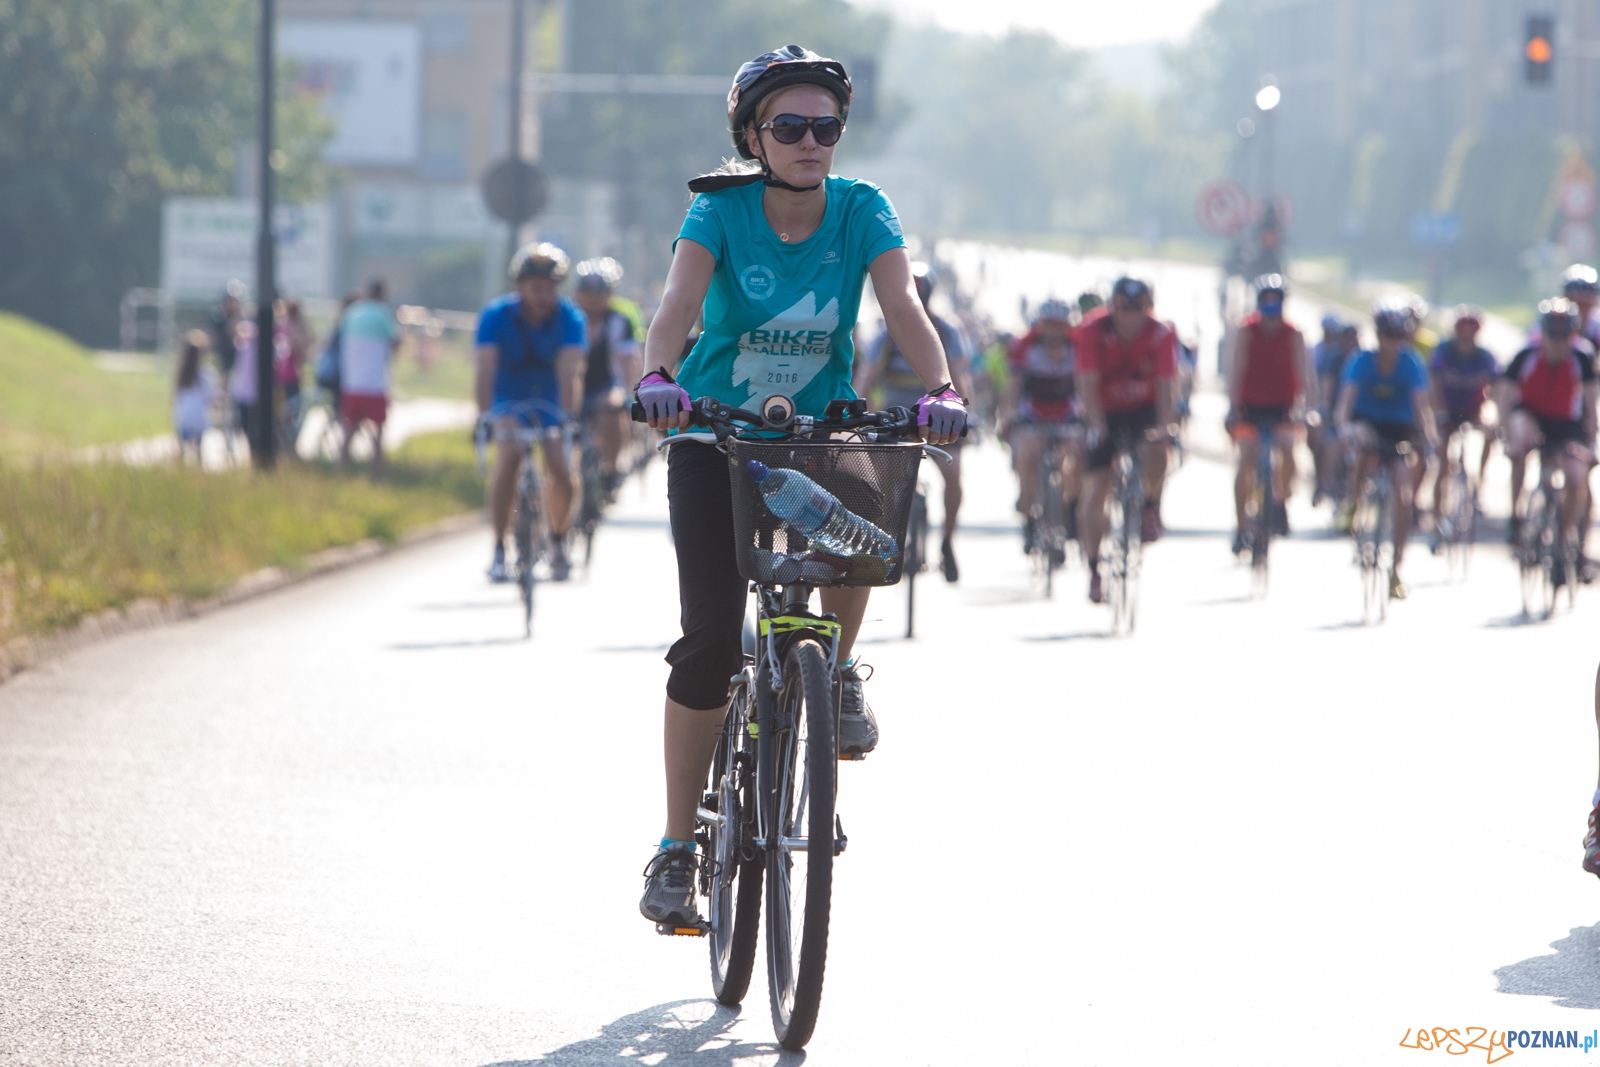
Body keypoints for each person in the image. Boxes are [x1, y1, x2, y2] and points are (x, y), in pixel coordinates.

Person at [634, 44, 966, 928]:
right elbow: (676, 306)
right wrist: (659, 376)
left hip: (821, 432)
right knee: (708, 639)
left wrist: (938, 390)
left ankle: (839, 669)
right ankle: (675, 847)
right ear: (754, 135)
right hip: (716, 436)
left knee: (867, 538)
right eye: (791, 126)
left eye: (826, 127)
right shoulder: (719, 208)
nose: (811, 141)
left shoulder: (864, 210)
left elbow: (904, 308)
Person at [475, 243, 587, 583]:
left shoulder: (569, 317)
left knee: (561, 468)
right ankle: (498, 548)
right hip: (508, 397)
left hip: (550, 398)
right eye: (536, 288)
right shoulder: (495, 316)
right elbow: (484, 372)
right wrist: (484, 418)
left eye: (551, 288)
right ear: (519, 287)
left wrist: (566, 418)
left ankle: (557, 541)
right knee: (508, 457)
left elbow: (570, 374)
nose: (544, 295)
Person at [856, 261, 973, 580]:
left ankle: (947, 543)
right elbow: (867, 376)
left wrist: (967, 413)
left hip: (938, 413)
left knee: (954, 477)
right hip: (897, 412)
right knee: (885, 479)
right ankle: (890, 540)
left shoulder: (947, 331)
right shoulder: (886, 334)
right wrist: (855, 413)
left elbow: (959, 376)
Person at [1075, 276, 1176, 605]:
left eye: (1137, 311)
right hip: (1103, 408)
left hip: (1142, 407)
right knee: (1097, 489)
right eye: (1122, 310)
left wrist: (1164, 426)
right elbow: (1087, 384)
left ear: (1147, 309)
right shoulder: (1092, 330)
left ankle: (1148, 504)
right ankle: (1093, 568)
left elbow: (1165, 385)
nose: (1129, 318)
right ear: (1112, 308)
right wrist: (1096, 426)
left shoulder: (1160, 333)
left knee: (1160, 446)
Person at [1333, 304, 1438, 601]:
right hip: (1367, 421)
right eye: (1386, 335)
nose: (1392, 342)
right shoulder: (1361, 360)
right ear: (1377, 335)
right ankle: (1352, 505)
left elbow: (1423, 408)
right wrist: (1346, 428)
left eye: (1397, 335)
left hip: (1399, 428)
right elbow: (1344, 405)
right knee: (1364, 448)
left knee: (1403, 497)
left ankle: (1396, 570)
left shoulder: (1412, 362)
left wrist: (1429, 437)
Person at [1499, 299, 1598, 565]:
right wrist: (1508, 436)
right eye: (1552, 335)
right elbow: (1505, 396)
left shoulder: (1582, 357)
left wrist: (1592, 443)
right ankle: (1516, 515)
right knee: (1520, 442)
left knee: (1576, 478)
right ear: (1543, 333)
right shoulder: (1526, 354)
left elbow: (1590, 403)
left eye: (1564, 335)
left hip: (1567, 423)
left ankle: (1561, 543)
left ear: (1572, 335)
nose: (1557, 341)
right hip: (1531, 414)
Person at [1226, 274, 1314, 552]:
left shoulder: (1293, 332)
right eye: (1266, 304)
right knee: (1247, 456)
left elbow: (1304, 372)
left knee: (1288, 450)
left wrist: (1307, 408)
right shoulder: (1247, 329)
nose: (1271, 311)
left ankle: (1280, 501)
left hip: (1283, 405)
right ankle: (1241, 527)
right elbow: (1237, 368)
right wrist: (1233, 406)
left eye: (1276, 305)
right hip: (1250, 404)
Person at [998, 298, 1081, 562]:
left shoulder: (1077, 348)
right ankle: (1029, 517)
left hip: (1066, 410)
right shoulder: (1025, 346)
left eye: (1060, 326)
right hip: (1034, 410)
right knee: (1027, 455)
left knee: (1075, 453)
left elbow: (1085, 385)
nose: (1055, 332)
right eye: (1050, 325)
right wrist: (1008, 416)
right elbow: (1013, 387)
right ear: (1041, 325)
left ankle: (1070, 508)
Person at [1425, 305, 1497, 536]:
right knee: (1443, 463)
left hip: (1472, 408)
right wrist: (1439, 413)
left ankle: (1479, 488)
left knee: (1491, 432)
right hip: (1446, 408)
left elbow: (1495, 388)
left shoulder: (1485, 356)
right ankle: (1437, 517)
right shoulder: (1443, 352)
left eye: (1470, 336)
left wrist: (1493, 418)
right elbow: (1433, 385)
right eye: (1462, 335)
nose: (1466, 340)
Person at [572, 257, 642, 495]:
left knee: (613, 408)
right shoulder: (567, 319)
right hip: (572, 385)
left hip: (605, 384)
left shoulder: (619, 321)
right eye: (587, 292)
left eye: (599, 293)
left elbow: (626, 360)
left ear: (610, 293)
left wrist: (629, 393)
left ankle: (610, 470)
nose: (593, 299)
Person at [338, 279, 400, 478]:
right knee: (378, 432)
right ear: (382, 294)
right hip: (374, 383)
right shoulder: (383, 313)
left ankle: (341, 470)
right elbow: (396, 342)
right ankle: (376, 473)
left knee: (348, 430)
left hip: (351, 382)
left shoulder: (351, 312)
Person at [1309, 314, 1352, 504]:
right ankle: (1323, 483)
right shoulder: (1333, 358)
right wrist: (1324, 409)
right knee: (1324, 441)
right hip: (1334, 412)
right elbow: (1326, 384)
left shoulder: (1361, 358)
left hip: (1353, 414)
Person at [173, 330, 217, 465]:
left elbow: (176, 396)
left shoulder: (181, 373)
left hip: (183, 418)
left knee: (181, 452)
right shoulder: (207, 373)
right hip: (199, 419)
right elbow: (210, 397)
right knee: (198, 452)